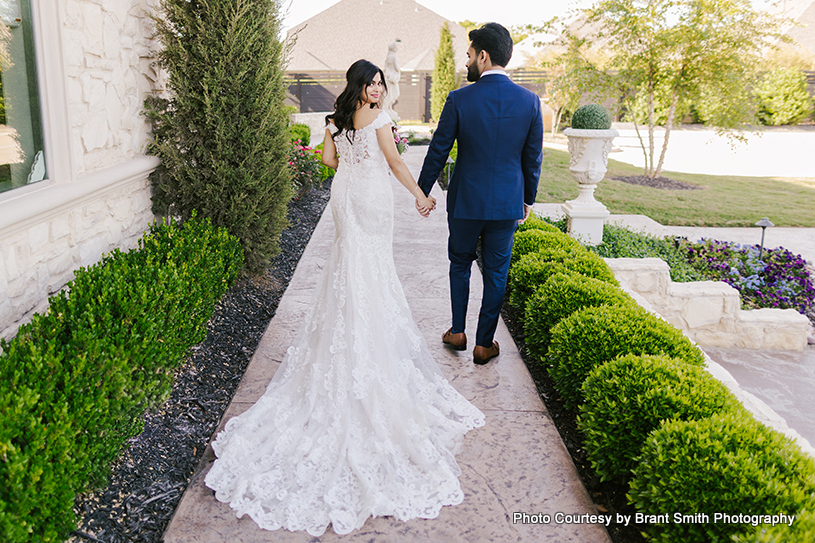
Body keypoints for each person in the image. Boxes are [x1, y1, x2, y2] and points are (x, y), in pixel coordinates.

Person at [204, 59, 485, 537]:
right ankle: (366, 343)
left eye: (380, 83)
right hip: (371, 200)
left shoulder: (339, 118)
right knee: (370, 270)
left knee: (350, 270)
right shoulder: (381, 119)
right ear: (360, 85)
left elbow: (329, 163)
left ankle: (352, 331)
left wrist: (331, 131)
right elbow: (395, 163)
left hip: (345, 198)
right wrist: (420, 195)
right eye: (371, 83)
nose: (377, 89)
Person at [417, 22, 543, 365]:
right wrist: (527, 199)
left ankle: (457, 331)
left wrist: (421, 191)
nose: (466, 62)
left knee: (459, 263)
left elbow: (438, 150)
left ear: (483, 56)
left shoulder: (459, 99)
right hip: (506, 204)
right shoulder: (531, 102)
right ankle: (484, 344)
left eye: (469, 55)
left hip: (465, 202)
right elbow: (532, 159)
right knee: (497, 273)